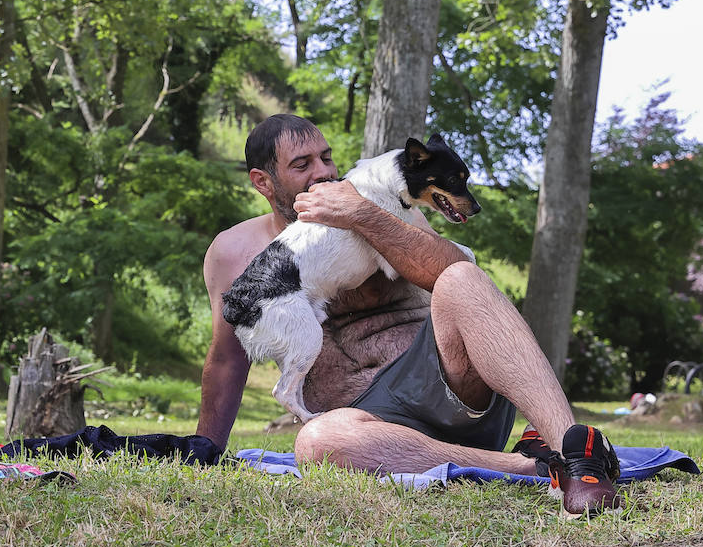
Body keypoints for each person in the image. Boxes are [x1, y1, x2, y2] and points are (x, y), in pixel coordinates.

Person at [196, 114, 622, 516]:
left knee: (461, 278)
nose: (323, 173)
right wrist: (207, 448)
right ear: (263, 182)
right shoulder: (234, 253)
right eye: (302, 165)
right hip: (373, 429)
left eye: (327, 157)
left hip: (450, 389)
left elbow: (454, 274)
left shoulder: (383, 205)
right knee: (318, 442)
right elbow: (227, 359)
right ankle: (530, 466)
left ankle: (576, 453)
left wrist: (362, 216)